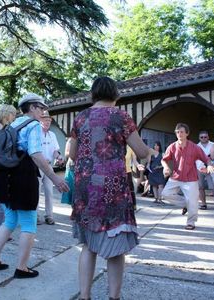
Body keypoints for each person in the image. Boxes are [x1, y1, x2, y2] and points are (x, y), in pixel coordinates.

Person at [68, 77, 154, 299]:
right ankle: (113, 297)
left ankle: (84, 296)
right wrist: (150, 152)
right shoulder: (122, 116)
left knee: (88, 245)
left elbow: (73, 154)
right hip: (112, 189)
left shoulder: (80, 117)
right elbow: (141, 151)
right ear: (115, 94)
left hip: (85, 188)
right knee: (115, 249)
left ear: (93, 94)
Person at [0, 93, 69, 279]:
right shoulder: (33, 126)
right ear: (31, 107)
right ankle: (22, 267)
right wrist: (55, 178)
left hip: (7, 175)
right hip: (23, 176)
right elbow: (36, 154)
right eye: (41, 107)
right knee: (29, 223)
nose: (43, 111)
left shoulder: (13, 124)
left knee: (9, 220)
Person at [161, 123, 214, 231]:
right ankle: (186, 204)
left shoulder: (194, 147)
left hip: (191, 178)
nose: (179, 134)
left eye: (181, 132)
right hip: (176, 177)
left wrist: (209, 165)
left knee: (193, 201)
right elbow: (164, 160)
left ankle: (191, 222)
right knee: (165, 194)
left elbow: (206, 159)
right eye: (177, 132)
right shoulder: (172, 146)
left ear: (187, 133)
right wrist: (165, 167)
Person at [0, 104, 16, 235]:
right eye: (13, 114)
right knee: (1, 200)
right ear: (7, 114)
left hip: (1, 167)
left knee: (2, 199)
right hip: (0, 168)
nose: (14, 116)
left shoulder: (3, 127)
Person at [37, 110, 64, 225]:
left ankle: (49, 216)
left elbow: (55, 151)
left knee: (49, 192)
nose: (47, 122)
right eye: (45, 119)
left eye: (49, 120)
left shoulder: (52, 135)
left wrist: (59, 156)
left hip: (49, 167)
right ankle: (36, 216)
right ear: (40, 120)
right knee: (36, 192)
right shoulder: (36, 134)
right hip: (37, 166)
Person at [196, 131, 214, 210]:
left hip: (211, 168)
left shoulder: (213, 145)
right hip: (199, 168)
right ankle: (203, 204)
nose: (203, 138)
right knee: (200, 187)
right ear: (199, 138)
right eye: (201, 137)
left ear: (208, 137)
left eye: (205, 137)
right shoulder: (196, 146)